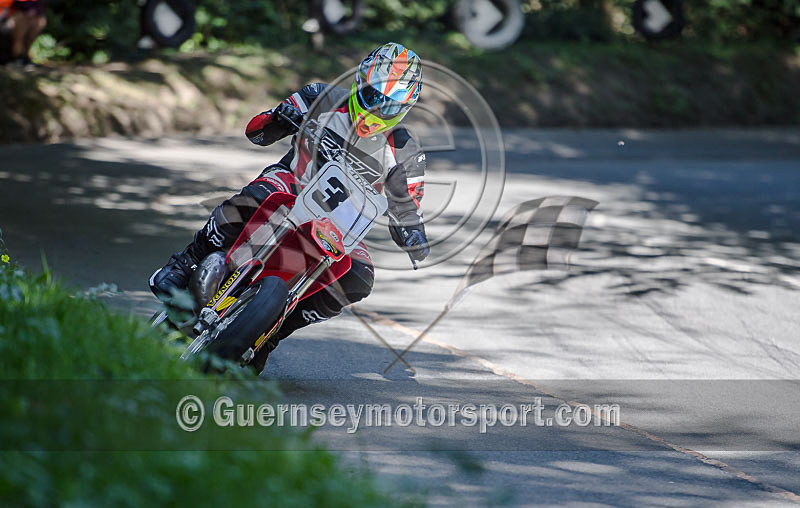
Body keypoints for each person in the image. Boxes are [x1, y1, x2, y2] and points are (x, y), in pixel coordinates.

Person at [150, 42, 429, 371]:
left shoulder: (406, 149)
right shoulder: (319, 97)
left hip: (339, 224)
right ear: (359, 82)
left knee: (360, 276)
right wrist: (278, 118)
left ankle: (272, 331)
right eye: (372, 96)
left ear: (406, 107)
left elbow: (408, 207)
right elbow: (257, 133)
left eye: (390, 105)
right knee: (256, 197)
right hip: (291, 184)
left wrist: (413, 233)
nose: (378, 109)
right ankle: (184, 264)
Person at [1, 0, 46, 67]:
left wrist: (33, 12)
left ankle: (24, 56)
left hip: (27, 17)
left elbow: (40, 8)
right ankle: (17, 55)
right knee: (22, 20)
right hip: (11, 17)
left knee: (40, 21)